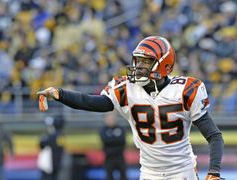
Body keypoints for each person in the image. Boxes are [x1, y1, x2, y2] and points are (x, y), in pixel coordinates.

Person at [37, 36, 224, 180]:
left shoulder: (185, 90)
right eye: (138, 61)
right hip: (149, 173)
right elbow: (92, 102)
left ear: (164, 63)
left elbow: (214, 135)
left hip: (182, 172)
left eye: (145, 62)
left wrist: (214, 171)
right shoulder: (127, 88)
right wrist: (60, 94)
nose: (138, 66)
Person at [100, 111, 127, 180]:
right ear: (105, 119)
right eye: (109, 117)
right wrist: (116, 139)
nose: (111, 119)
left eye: (113, 117)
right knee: (109, 177)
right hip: (109, 158)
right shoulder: (103, 130)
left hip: (120, 157)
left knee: (123, 176)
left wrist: (111, 140)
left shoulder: (120, 128)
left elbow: (122, 140)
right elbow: (105, 140)